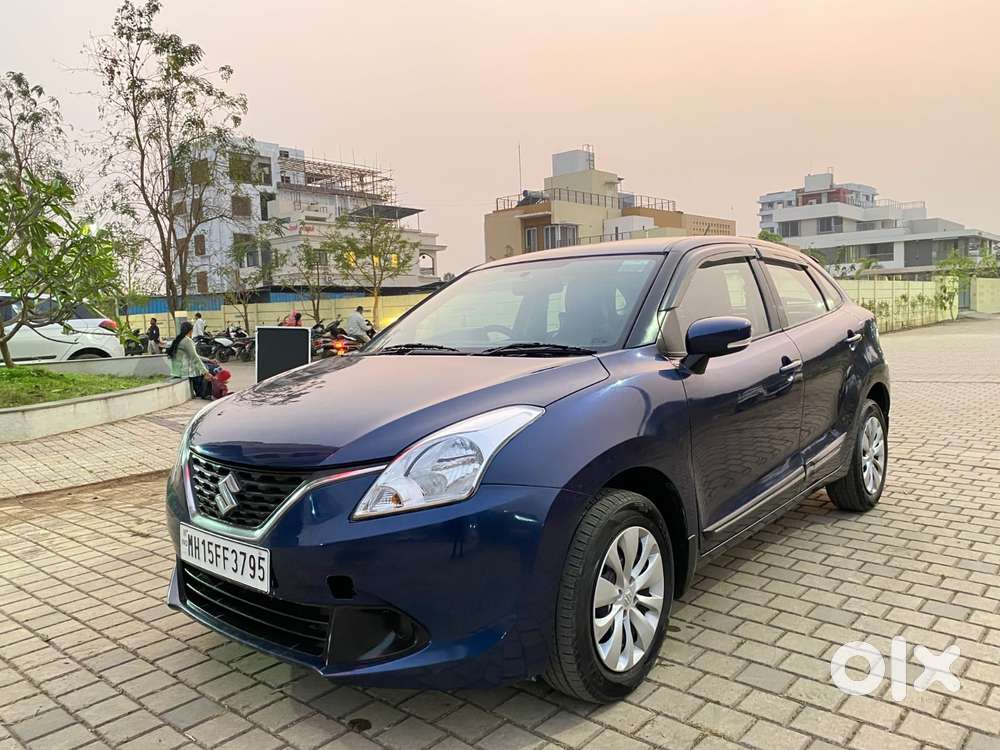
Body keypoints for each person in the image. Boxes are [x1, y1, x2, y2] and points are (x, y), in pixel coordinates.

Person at [166, 321, 213, 399]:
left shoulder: (177, 339)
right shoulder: (187, 341)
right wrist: (205, 372)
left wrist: (208, 360)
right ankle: (204, 394)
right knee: (209, 369)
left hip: (176, 371)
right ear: (190, 330)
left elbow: (193, 356)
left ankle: (201, 392)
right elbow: (194, 357)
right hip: (184, 371)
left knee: (206, 366)